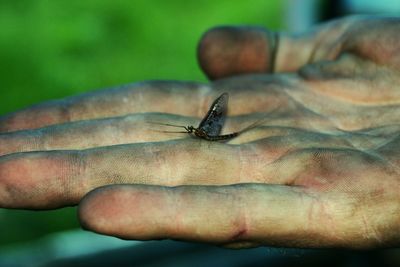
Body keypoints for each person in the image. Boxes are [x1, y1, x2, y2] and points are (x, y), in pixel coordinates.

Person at [0, 15, 399, 249]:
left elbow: (208, 132)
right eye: (196, 128)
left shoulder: (208, 131)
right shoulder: (199, 132)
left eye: (198, 127)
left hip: (219, 140)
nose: (195, 130)